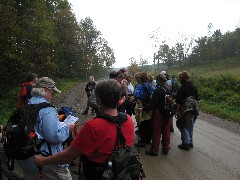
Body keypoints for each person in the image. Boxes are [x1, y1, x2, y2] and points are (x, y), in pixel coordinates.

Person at [34, 79, 134, 179]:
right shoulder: (128, 120)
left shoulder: (93, 126)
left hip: (96, 173)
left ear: (98, 101)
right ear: (119, 100)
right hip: (119, 170)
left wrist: (42, 161)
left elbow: (69, 155)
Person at [16, 77, 75, 180]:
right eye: (52, 91)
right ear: (45, 89)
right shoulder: (47, 109)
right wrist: (67, 128)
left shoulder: (28, 104)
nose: (52, 94)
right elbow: (54, 136)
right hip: (45, 160)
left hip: (27, 157)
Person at [144, 74, 171, 156]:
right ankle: (166, 148)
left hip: (159, 112)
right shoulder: (168, 89)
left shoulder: (158, 90)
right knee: (166, 131)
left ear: (158, 80)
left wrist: (145, 109)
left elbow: (152, 104)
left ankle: (154, 150)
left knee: (156, 131)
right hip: (167, 113)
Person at [175, 71, 199, 151]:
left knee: (182, 125)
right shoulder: (193, 87)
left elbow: (179, 102)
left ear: (183, 78)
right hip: (193, 110)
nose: (179, 80)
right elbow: (197, 98)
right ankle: (190, 141)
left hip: (184, 110)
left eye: (180, 78)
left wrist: (176, 111)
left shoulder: (182, 88)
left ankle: (186, 143)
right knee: (190, 126)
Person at [134, 72, 154, 147]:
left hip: (141, 106)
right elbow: (154, 93)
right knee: (148, 122)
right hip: (148, 106)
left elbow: (136, 95)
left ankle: (142, 140)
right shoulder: (150, 86)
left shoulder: (139, 86)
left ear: (141, 79)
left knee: (142, 123)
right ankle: (148, 139)